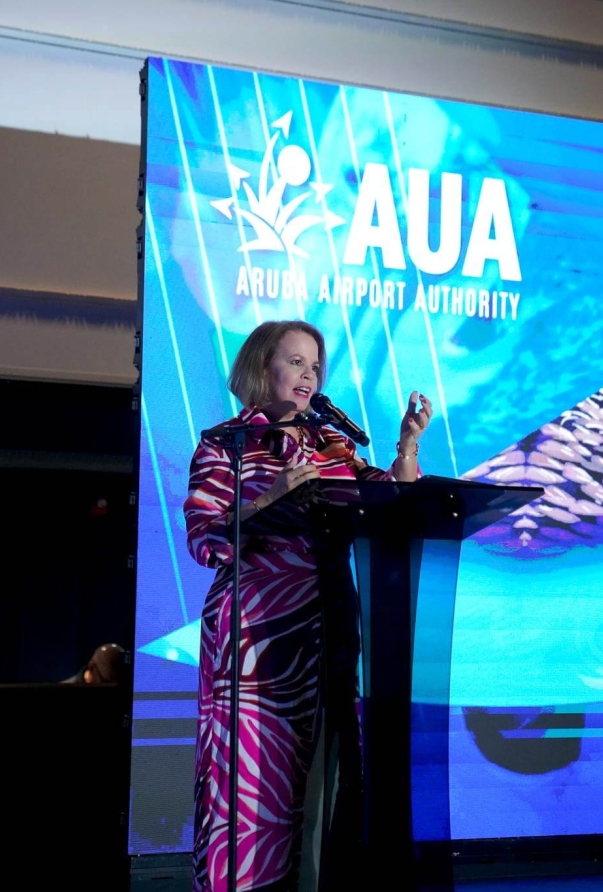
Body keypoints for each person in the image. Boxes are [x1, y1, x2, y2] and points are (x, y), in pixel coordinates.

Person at [183, 320, 432, 892]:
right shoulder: (225, 444)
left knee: (328, 787)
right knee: (249, 791)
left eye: (314, 366)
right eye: (295, 362)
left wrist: (408, 446)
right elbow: (204, 536)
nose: (307, 375)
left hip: (328, 633)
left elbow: (390, 501)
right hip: (253, 643)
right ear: (259, 367)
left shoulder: (332, 445)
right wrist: (271, 498)